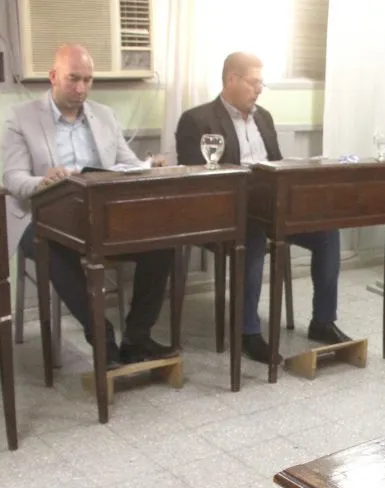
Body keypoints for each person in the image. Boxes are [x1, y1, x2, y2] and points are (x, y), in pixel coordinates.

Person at [2, 44, 175, 369]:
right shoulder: (21, 117)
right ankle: (101, 336)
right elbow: (12, 178)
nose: (81, 88)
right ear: (53, 76)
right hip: (40, 216)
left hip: (99, 216)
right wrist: (43, 182)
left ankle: (137, 338)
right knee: (54, 246)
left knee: (162, 243)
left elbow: (127, 163)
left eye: (87, 80)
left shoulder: (104, 115)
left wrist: (149, 165)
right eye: (73, 79)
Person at [175, 52, 350, 364]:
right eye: (253, 83)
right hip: (224, 213)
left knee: (327, 232)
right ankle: (248, 333)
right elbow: (194, 181)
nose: (259, 90)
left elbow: (276, 166)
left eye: (261, 83)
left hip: (271, 209)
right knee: (253, 236)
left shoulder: (264, 118)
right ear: (232, 79)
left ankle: (323, 321)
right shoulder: (197, 120)